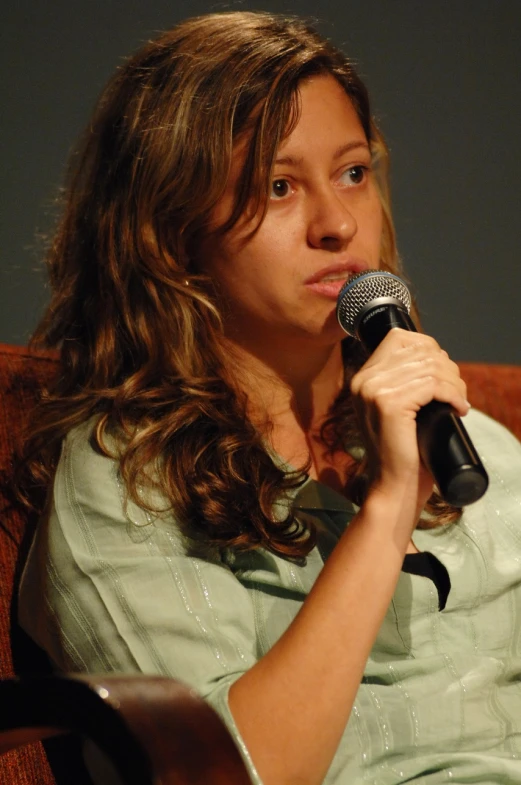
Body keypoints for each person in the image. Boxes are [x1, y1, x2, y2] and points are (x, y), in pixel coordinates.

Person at [17, 10, 521, 785]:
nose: (336, 222)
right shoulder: (130, 484)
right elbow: (218, 773)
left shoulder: (478, 449)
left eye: (352, 172)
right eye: (277, 187)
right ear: (171, 232)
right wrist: (386, 509)